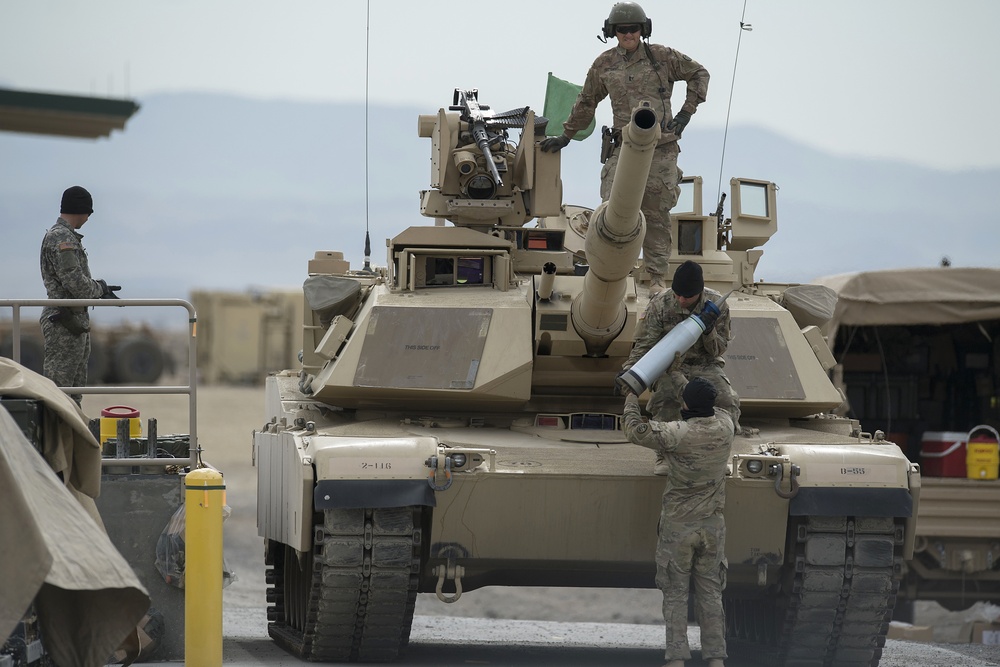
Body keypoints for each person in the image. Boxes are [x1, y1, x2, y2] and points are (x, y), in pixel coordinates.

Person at [540, 1, 709, 295]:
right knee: (612, 212)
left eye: (633, 29)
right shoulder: (604, 64)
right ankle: (608, 273)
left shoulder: (662, 57)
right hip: (623, 146)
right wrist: (566, 135)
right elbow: (587, 100)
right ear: (612, 32)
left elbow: (700, 74)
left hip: (661, 148)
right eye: (622, 29)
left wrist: (686, 112)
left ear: (643, 30)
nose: (628, 34)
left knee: (657, 215)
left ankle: (656, 276)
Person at [621, 376, 733, 667]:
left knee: (676, 593)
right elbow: (718, 406)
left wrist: (632, 399)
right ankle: (716, 658)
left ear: (685, 404)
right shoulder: (726, 426)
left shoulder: (677, 433)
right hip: (711, 527)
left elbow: (636, 431)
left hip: (679, 528)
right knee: (711, 593)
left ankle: (676, 659)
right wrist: (690, 385)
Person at [622, 260, 739, 473]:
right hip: (668, 365)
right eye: (677, 294)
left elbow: (718, 350)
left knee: (726, 399)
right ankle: (664, 456)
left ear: (699, 291)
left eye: (687, 296)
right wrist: (629, 370)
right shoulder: (661, 303)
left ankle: (718, 455)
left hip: (705, 364)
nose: (681, 300)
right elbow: (645, 343)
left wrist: (708, 330)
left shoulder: (716, 304)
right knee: (665, 397)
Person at [39, 186, 119, 405]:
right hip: (63, 323)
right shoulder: (61, 238)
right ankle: (56, 439)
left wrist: (100, 290)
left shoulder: (66, 237)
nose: (88, 218)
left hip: (73, 321)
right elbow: (77, 285)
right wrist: (100, 288)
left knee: (73, 395)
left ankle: (70, 438)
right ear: (82, 211)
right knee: (59, 394)